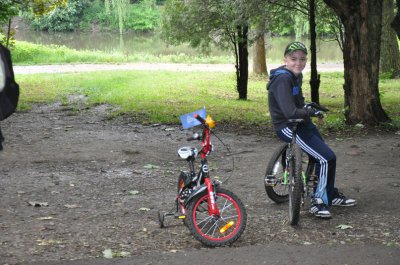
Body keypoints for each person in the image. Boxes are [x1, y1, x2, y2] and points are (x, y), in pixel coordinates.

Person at [266, 41, 356, 218]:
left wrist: (310, 107)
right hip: (287, 126)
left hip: (301, 122)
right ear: (285, 59)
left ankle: (329, 193)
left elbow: (297, 103)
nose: (298, 63)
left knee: (324, 155)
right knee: (327, 158)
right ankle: (318, 201)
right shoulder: (283, 79)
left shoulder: (295, 76)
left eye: (302, 59)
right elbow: (290, 112)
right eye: (293, 59)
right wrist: (309, 111)